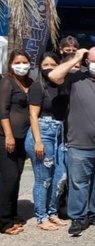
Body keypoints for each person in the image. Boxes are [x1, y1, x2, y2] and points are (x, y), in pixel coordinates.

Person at [49, 47, 95, 237]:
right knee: (78, 183)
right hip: (79, 144)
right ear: (87, 61)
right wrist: (76, 56)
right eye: (93, 60)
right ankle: (78, 217)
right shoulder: (76, 79)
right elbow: (53, 76)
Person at [24, 52, 69, 231]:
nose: (49, 68)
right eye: (45, 65)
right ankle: (41, 217)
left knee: (60, 176)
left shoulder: (62, 86)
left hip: (60, 133)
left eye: (53, 65)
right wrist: (38, 141)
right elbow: (33, 116)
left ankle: (52, 212)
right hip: (43, 132)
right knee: (44, 179)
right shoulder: (37, 87)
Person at [0, 50, 33, 235]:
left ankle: (13, 215)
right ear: (11, 64)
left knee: (17, 177)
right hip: (7, 138)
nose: (22, 65)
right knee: (9, 178)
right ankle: (3, 222)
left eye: (25, 62)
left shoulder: (28, 83)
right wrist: (9, 135)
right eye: (18, 62)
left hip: (22, 139)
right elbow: (2, 110)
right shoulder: (7, 81)